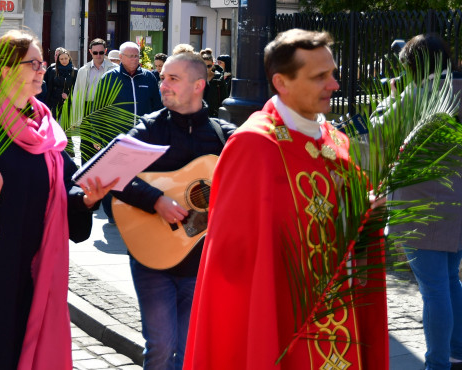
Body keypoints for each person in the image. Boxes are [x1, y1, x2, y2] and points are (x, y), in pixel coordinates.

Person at [184, 29, 389, 368]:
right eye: (320, 76)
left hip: (337, 320)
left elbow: (346, 229)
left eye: (333, 73)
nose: (335, 85)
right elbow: (232, 264)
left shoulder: (336, 142)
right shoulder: (255, 147)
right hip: (281, 327)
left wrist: (365, 214)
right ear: (282, 82)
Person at [0, 31, 115, 370]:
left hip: (36, 270)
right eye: (34, 63)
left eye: (43, 63)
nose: (43, 70)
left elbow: (65, 186)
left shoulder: (46, 126)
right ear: (5, 70)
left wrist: (84, 201)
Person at [110, 53, 235, 370]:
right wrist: (156, 200)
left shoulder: (225, 137)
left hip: (200, 263)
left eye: (172, 79)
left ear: (199, 86)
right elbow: (109, 174)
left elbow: (262, 167)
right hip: (153, 260)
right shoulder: (149, 129)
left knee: (188, 352)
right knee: (162, 349)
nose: (162, 84)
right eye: (162, 77)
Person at [383, 33, 462, 370]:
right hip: (455, 203)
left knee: (433, 289)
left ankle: (437, 363)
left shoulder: (418, 95)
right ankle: (456, 351)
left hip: (423, 207)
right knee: (448, 281)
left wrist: (391, 98)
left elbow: (380, 135)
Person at [90, 42, 164, 155]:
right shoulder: (109, 78)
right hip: (116, 138)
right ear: (120, 57)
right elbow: (98, 110)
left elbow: (157, 107)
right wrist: (96, 136)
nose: (134, 59)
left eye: (137, 56)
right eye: (131, 56)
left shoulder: (148, 77)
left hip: (143, 137)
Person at [72, 38, 112, 124]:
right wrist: (74, 117)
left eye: (101, 52)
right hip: (86, 107)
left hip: (105, 107)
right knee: (86, 136)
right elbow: (76, 93)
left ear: (105, 51)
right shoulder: (83, 70)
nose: (98, 55)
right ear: (90, 52)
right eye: (95, 53)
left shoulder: (113, 69)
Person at [41, 48, 77, 117]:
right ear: (58, 60)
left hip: (68, 103)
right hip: (54, 102)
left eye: (66, 58)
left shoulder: (74, 71)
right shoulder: (53, 71)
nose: (64, 61)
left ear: (69, 58)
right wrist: (46, 105)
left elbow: (76, 88)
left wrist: (68, 97)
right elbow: (49, 88)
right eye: (61, 59)